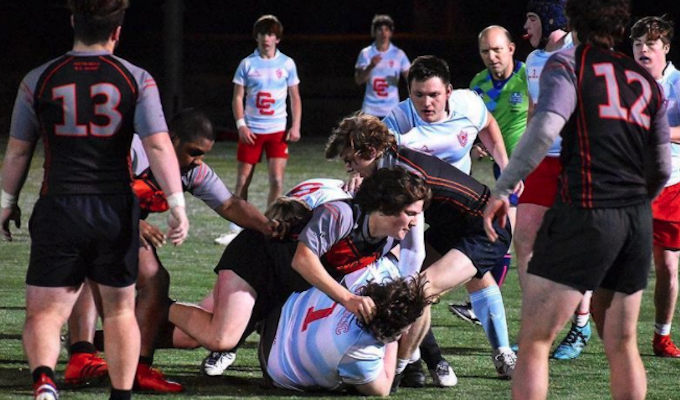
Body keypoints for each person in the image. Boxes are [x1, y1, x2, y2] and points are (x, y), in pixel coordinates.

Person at [0, 1, 190, 399]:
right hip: (114, 209)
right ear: (117, 32)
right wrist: (177, 202)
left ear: (73, 22)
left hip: (60, 205)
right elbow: (157, 143)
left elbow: (18, 151)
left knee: (45, 313)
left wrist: (6, 201)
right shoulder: (136, 78)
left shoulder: (39, 79)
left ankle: (44, 382)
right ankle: (120, 395)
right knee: (120, 310)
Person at [483, 0, 670, 397]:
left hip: (586, 207)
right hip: (634, 216)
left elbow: (545, 127)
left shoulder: (569, 64)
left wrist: (504, 185)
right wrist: (634, 204)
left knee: (535, 340)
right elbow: (662, 168)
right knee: (622, 345)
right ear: (621, 28)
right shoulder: (645, 79)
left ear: (573, 23)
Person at [62, 108, 278, 391]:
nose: (198, 160)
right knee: (99, 266)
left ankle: (131, 364)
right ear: (172, 139)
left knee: (154, 279)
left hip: (116, 224)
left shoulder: (191, 171)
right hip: (80, 213)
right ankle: (83, 355)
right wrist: (135, 225)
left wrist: (267, 226)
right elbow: (95, 192)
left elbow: (229, 204)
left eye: (203, 153)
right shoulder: (133, 150)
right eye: (194, 151)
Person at [167, 168, 430, 367]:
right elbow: (302, 260)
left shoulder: (384, 241)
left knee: (186, 338)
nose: (416, 223)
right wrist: (348, 299)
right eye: (411, 213)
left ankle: (140, 331)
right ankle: (158, 304)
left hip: (284, 288)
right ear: (385, 207)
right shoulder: (341, 215)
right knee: (221, 339)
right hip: (256, 263)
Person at [325, 113, 515, 384]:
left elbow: (414, 249)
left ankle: (399, 370)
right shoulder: (389, 163)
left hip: (484, 230)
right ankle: (436, 361)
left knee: (414, 292)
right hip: (451, 228)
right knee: (404, 281)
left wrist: (405, 283)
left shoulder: (405, 175)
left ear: (371, 151)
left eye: (352, 160)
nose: (350, 167)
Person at [382, 55, 516, 384]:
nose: (426, 103)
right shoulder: (398, 119)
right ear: (408, 93)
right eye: (418, 95)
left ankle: (413, 364)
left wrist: (505, 166)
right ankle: (428, 359)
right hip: (435, 215)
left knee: (418, 287)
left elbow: (489, 126)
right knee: (402, 280)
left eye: (434, 95)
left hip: (474, 215)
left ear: (449, 92)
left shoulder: (468, 104)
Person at [520, 0, 593, 361]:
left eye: (531, 18)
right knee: (525, 243)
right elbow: (534, 112)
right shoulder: (533, 62)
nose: (526, 26)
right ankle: (535, 328)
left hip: (573, 162)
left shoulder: (578, 53)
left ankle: (580, 324)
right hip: (540, 162)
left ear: (550, 21)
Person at [261, 256, 432, 396]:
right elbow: (383, 389)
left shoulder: (377, 270)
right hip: (275, 362)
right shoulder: (359, 351)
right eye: (405, 327)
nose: (408, 330)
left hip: (283, 306)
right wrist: (393, 342)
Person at [450, 25, 529, 326]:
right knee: (507, 233)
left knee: (507, 231)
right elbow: (472, 125)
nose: (491, 56)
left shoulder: (527, 78)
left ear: (511, 49)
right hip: (502, 169)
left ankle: (482, 302)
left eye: (497, 49)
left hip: (526, 167)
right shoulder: (478, 84)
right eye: (485, 51)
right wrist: (476, 143)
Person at [216, 14, 301, 243]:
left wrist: (296, 125)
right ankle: (236, 226)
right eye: (263, 33)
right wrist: (241, 125)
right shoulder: (247, 64)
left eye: (271, 34)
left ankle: (269, 222)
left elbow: (295, 97)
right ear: (257, 37)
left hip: (277, 129)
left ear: (278, 38)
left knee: (276, 180)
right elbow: (237, 97)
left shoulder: (287, 64)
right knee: (243, 181)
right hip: (252, 129)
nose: (267, 38)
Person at [631, 15, 680, 358]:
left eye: (650, 44)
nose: (643, 50)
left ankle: (661, 336)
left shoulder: (678, 82)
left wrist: (655, 134)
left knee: (666, 267)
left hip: (671, 185)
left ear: (665, 48)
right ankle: (581, 327)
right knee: (611, 259)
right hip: (627, 185)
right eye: (637, 44)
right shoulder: (624, 80)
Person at [355, 14, 410, 118]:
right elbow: (359, 80)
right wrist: (371, 66)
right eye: (380, 29)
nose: (383, 33)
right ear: (374, 32)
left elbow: (411, 79)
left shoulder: (398, 54)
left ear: (390, 33)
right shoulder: (366, 53)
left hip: (391, 110)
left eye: (386, 29)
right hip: (370, 110)